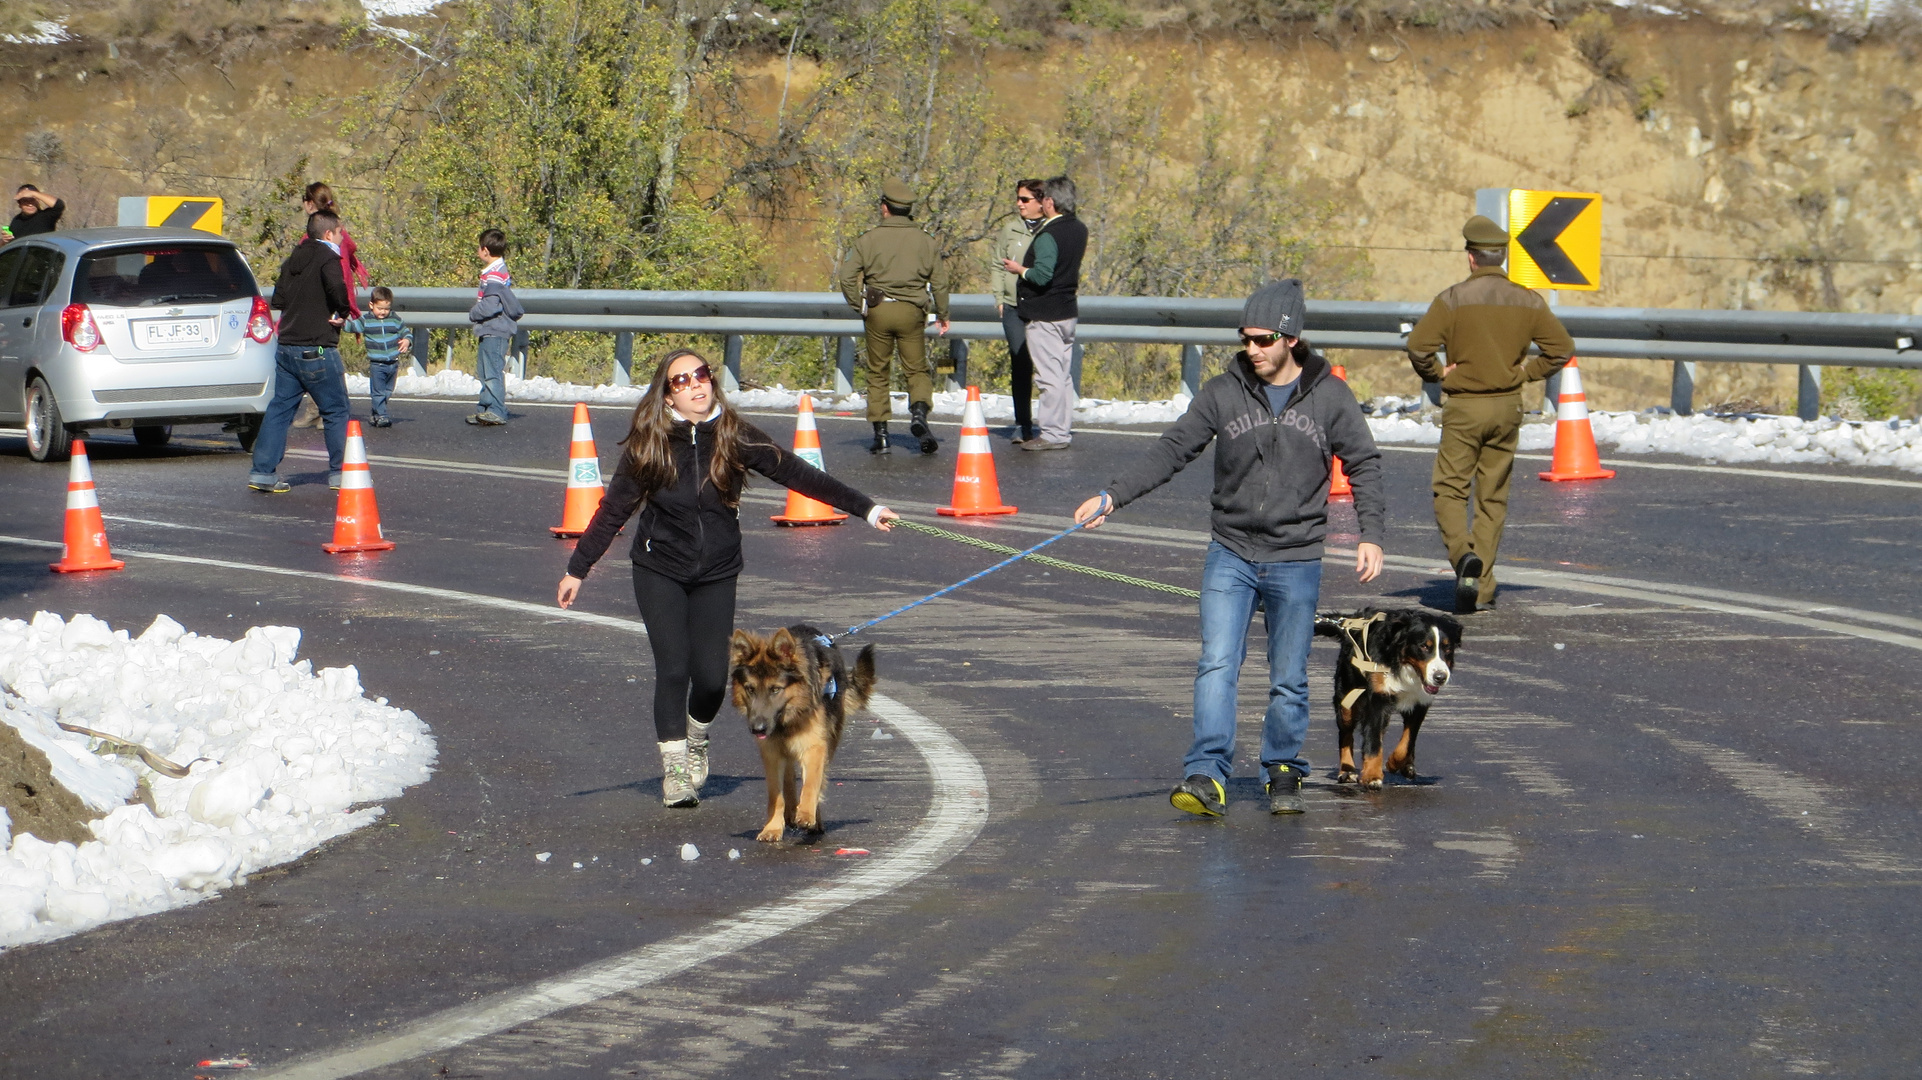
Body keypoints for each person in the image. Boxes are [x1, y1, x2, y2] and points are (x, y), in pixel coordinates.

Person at [1073, 279, 1386, 818]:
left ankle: (1283, 769)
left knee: (1288, 675)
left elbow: (1365, 463)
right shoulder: (1223, 391)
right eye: (1246, 338)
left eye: (1263, 339)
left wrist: (1371, 533)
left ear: (1290, 337)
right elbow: (1173, 450)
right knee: (1217, 662)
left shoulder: (1331, 396)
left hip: (1297, 556)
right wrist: (1113, 496)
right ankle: (1205, 774)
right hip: (1231, 552)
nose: (1252, 349)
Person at [556, 348, 900, 808]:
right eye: (681, 381)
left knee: (715, 680)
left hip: (717, 570)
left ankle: (697, 737)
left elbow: (800, 474)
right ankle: (676, 770)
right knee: (674, 668)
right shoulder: (649, 443)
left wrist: (867, 508)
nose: (695, 385)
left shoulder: (734, 435)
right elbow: (613, 509)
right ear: (667, 395)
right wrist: (578, 568)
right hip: (659, 568)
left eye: (701, 375)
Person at [1406, 215, 1574, 614]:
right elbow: (1561, 348)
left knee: (1449, 489)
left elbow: (1418, 347)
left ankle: (1463, 557)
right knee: (1492, 497)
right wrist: (1525, 372)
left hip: (1465, 407)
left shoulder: (1451, 300)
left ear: (1470, 258)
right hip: (1507, 407)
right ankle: (1480, 587)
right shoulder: (1528, 300)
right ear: (1502, 257)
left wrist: (1438, 374)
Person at [836, 179, 951, 455]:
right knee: (916, 369)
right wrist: (943, 313)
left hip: (879, 310)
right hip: (912, 311)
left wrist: (859, 304)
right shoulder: (926, 242)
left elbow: (846, 276)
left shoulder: (868, 239)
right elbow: (940, 283)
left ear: (884, 208)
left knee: (878, 371)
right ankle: (919, 414)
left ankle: (882, 434)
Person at [249, 211, 353, 494]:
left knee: (280, 410)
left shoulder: (292, 259)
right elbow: (337, 288)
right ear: (329, 234)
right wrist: (341, 311)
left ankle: (262, 472)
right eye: (340, 233)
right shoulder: (328, 258)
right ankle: (341, 473)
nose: (342, 237)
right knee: (335, 409)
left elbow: (279, 299)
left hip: (287, 347)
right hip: (317, 346)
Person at [1001, 175, 1086, 451]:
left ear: (1049, 202)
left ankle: (1051, 433)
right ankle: (1061, 428)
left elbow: (1042, 275)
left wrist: (1020, 270)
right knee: (1062, 375)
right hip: (1066, 311)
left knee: (1048, 377)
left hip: (1045, 314)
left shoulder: (1050, 234)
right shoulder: (1079, 229)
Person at [291, 183, 369, 430]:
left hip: (328, 307)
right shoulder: (337, 233)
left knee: (325, 355)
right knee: (317, 354)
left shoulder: (322, 236)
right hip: (325, 306)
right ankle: (318, 409)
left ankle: (332, 410)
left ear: (308, 204)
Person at [989, 178, 1046, 444]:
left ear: (1040, 201)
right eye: (1018, 199)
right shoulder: (1010, 229)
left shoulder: (1051, 229)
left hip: (1041, 306)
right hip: (1013, 306)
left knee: (1046, 367)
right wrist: (999, 297)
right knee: (1020, 362)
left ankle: (1050, 425)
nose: (1019, 204)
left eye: (1025, 199)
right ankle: (1022, 423)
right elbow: (997, 263)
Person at [467, 228, 523, 426]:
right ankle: (485, 409)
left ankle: (497, 410)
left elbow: (492, 305)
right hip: (490, 328)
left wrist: (474, 313)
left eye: (478, 248)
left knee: (492, 372)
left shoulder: (494, 274)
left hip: (495, 328)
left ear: (485, 250)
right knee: (484, 371)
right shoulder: (495, 270)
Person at [345, 286, 412, 428]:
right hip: (377, 364)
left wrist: (407, 340)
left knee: (388, 391)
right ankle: (382, 415)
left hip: (393, 363)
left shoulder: (394, 319)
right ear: (371, 305)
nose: (383, 312)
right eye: (379, 308)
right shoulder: (366, 320)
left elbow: (406, 331)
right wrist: (340, 321)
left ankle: (376, 413)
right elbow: (352, 327)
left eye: (386, 309)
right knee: (378, 392)